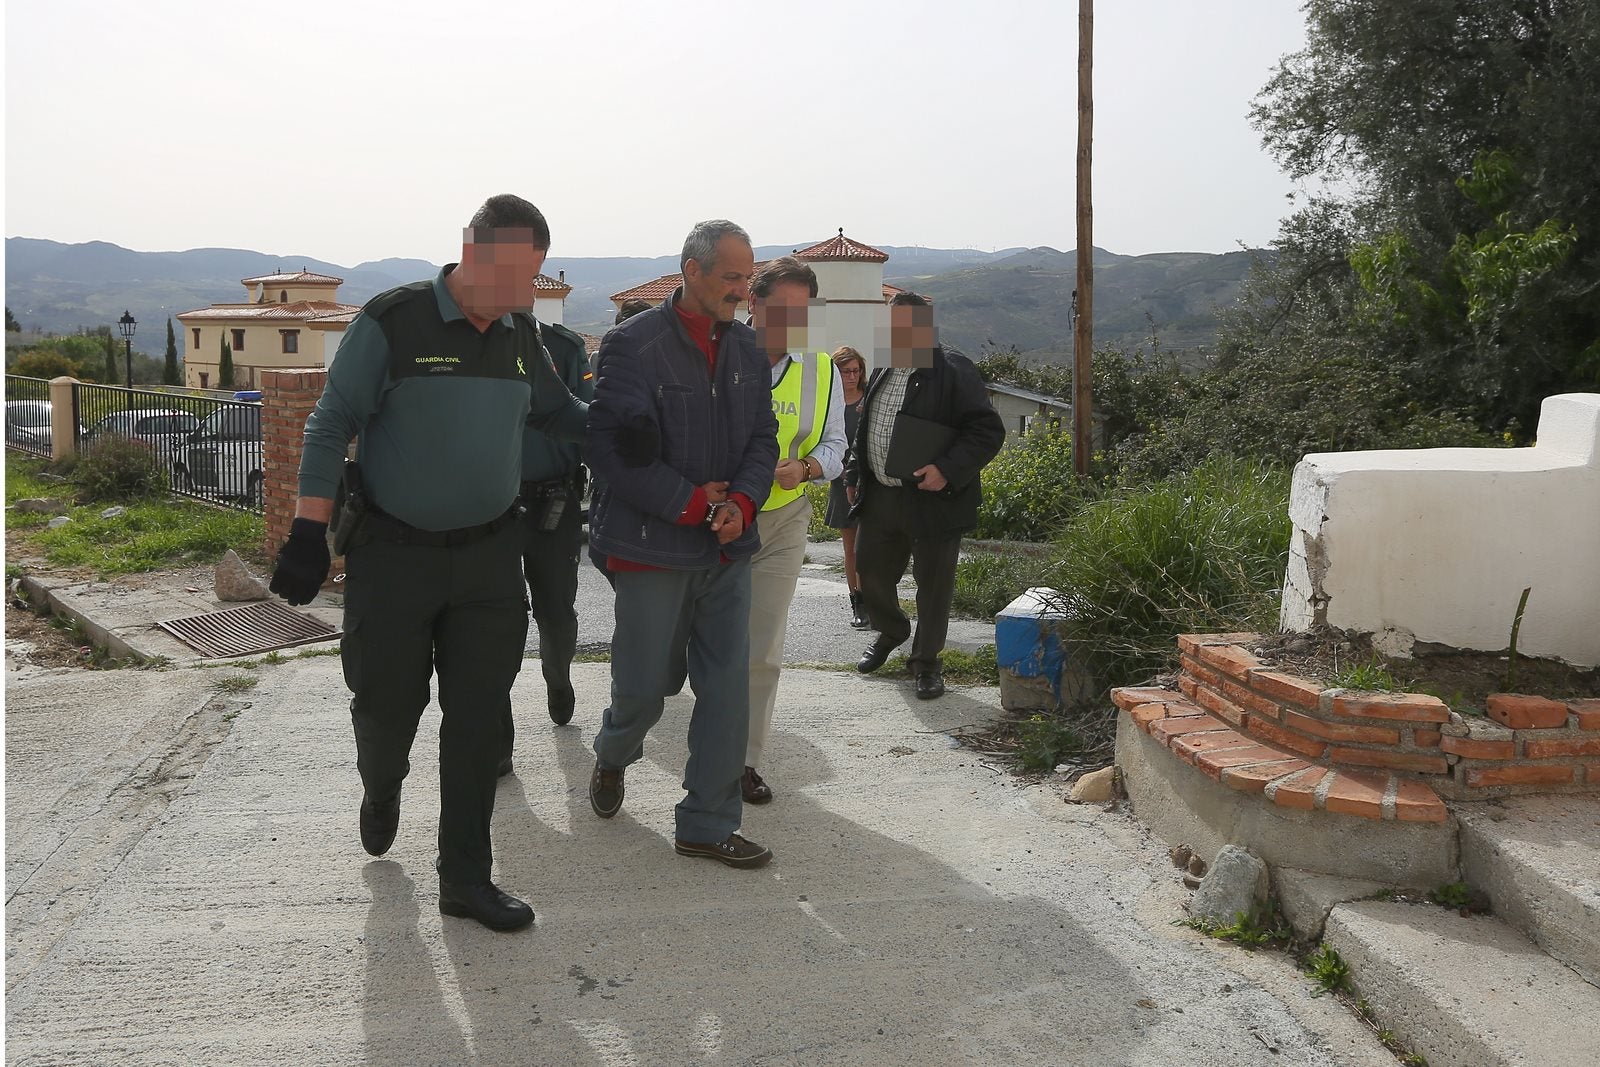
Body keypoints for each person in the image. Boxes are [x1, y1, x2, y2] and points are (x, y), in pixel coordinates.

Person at [269, 194, 587, 932]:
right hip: (393, 559)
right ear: (473, 252)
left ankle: (465, 878)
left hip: (488, 561)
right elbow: (329, 424)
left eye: (533, 280)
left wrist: (625, 430)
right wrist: (308, 532)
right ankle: (381, 787)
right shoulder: (394, 319)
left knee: (477, 720)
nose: (521, 295)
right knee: (386, 710)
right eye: (513, 277)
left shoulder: (519, 335)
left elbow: (559, 411)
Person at [583, 219, 779, 868]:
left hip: (727, 550)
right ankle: (613, 754)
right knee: (643, 689)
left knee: (727, 688)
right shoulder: (631, 347)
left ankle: (705, 822)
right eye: (731, 278)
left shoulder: (750, 352)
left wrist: (742, 502)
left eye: (747, 279)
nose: (742, 291)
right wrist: (696, 503)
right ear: (691, 271)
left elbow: (762, 441)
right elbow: (612, 452)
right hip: (650, 548)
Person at [845, 292, 1005, 699]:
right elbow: (869, 427)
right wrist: (853, 471)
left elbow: (986, 430)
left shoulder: (952, 369)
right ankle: (892, 630)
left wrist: (947, 470)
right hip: (881, 493)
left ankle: (926, 664)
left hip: (935, 499)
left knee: (933, 586)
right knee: (870, 569)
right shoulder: (883, 365)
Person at [741, 257, 847, 805]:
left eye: (800, 312)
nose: (789, 322)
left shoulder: (821, 369)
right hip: (712, 521)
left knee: (762, 648)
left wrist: (805, 469)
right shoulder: (719, 354)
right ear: (753, 304)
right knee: (695, 643)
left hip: (782, 519)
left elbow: (835, 449)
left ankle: (743, 762)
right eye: (779, 309)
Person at [506, 311, 594, 759]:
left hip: (553, 504)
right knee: (495, 618)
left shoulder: (562, 345)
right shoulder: (466, 342)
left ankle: (557, 677)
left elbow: (584, 416)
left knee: (556, 609)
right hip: (492, 506)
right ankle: (497, 729)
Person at [824, 345, 868, 629]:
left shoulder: (871, 400)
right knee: (851, 549)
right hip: (842, 484)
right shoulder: (829, 405)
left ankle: (880, 601)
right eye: (845, 371)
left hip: (872, 484)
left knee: (875, 548)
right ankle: (858, 602)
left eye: (856, 371)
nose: (851, 377)